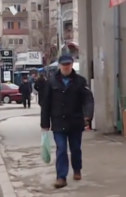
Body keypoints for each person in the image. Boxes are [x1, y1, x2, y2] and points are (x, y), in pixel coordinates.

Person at [40, 54, 94, 189]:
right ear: (60, 65)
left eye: (68, 65)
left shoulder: (80, 81)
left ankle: (77, 169)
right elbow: (45, 104)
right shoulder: (51, 82)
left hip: (75, 122)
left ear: (71, 65)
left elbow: (88, 100)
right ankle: (61, 177)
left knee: (75, 148)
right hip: (58, 122)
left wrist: (87, 116)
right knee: (61, 149)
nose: (66, 67)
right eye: (64, 65)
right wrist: (45, 123)